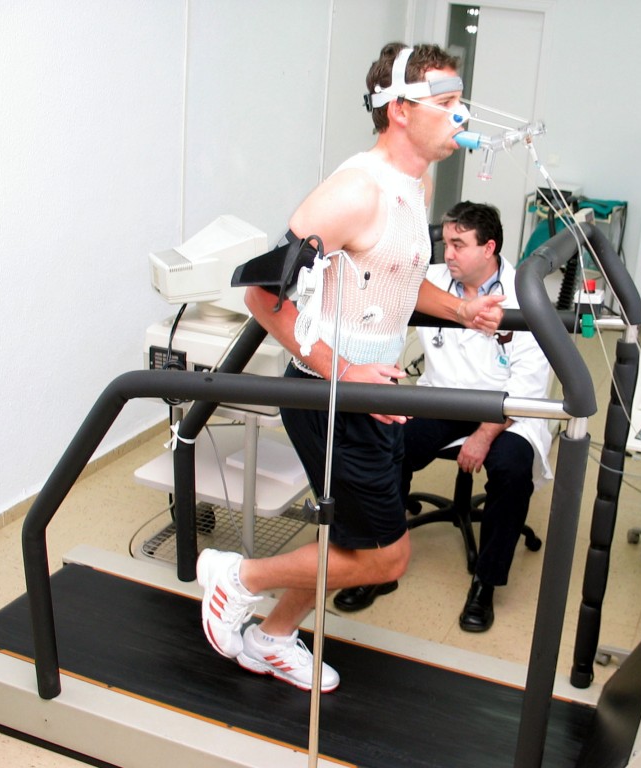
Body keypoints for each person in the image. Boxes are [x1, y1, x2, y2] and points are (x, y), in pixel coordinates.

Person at [195, 43, 505, 693]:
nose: (462, 115)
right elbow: (263, 298)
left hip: (373, 394)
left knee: (351, 541)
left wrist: (462, 309)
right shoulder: (354, 192)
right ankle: (237, 577)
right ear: (399, 110)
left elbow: (399, 278)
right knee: (385, 559)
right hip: (328, 395)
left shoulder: (415, 184)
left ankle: (273, 636)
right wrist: (343, 372)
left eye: (461, 101)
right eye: (447, 102)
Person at [333, 201, 553, 632]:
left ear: (489, 247)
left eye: (458, 244)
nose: (447, 253)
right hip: (443, 398)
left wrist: (484, 435)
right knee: (386, 444)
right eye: (445, 243)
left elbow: (529, 384)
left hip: (506, 408)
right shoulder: (430, 283)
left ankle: (485, 583)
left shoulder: (525, 295)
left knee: (512, 470)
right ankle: (380, 563)